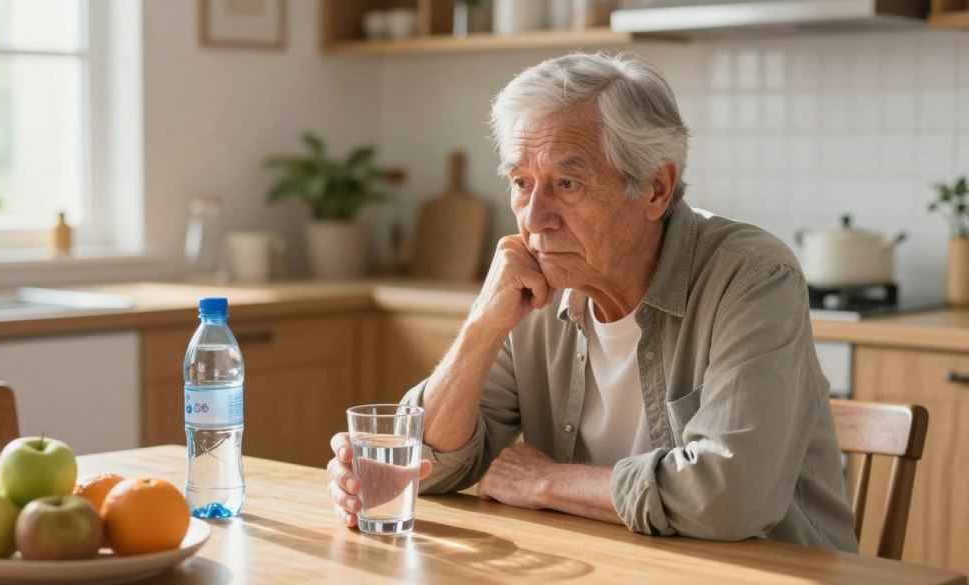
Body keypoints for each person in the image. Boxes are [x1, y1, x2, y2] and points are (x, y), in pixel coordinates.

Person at [327, 52, 858, 552]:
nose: (534, 218)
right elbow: (429, 465)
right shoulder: (537, 283)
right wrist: (482, 325)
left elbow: (727, 499)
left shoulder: (750, 276)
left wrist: (548, 482)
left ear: (655, 190)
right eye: (521, 182)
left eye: (567, 183)